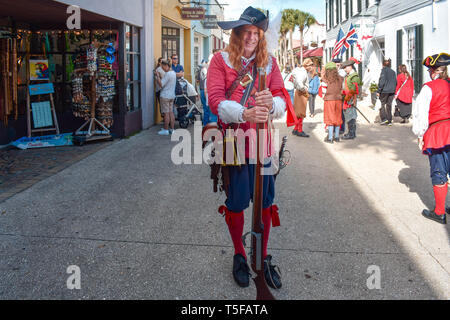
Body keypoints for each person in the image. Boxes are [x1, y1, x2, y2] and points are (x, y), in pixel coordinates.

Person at [207, 6, 286, 290]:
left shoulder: (269, 64)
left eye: (257, 32)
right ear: (237, 34)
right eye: (246, 32)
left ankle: (261, 255)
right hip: (234, 144)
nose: (252, 37)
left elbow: (281, 97)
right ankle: (240, 254)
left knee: (265, 203)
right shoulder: (220, 61)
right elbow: (215, 100)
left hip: (263, 145)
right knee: (238, 203)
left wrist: (271, 103)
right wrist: (245, 113)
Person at [412, 52, 450, 225]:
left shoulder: (429, 88)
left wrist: (420, 134)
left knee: (439, 170)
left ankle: (439, 212)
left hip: (439, 133)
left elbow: (421, 114)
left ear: (433, 71)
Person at [291, 58, 315, 137]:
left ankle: (295, 129)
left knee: (298, 113)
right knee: (301, 113)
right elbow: (299, 82)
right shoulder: (303, 72)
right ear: (306, 65)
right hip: (301, 93)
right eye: (310, 65)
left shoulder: (301, 71)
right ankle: (299, 130)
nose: (311, 66)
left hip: (299, 92)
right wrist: (304, 89)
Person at [321, 62, 344, 143]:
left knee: (330, 118)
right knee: (338, 117)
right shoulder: (341, 78)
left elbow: (323, 91)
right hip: (338, 99)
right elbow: (342, 89)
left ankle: (330, 138)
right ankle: (337, 137)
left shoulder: (325, 79)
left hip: (329, 100)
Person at [341, 59, 363, 140]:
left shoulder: (354, 76)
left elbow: (354, 89)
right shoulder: (348, 75)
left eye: (345, 67)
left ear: (350, 67)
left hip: (350, 98)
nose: (344, 69)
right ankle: (351, 132)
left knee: (351, 116)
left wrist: (347, 98)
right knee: (348, 115)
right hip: (346, 97)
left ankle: (351, 134)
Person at [155, 59, 176, 135]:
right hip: (171, 95)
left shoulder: (168, 74)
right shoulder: (173, 73)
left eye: (163, 67)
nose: (162, 69)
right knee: (171, 113)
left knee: (166, 113)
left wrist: (157, 76)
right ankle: (172, 129)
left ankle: (166, 129)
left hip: (165, 96)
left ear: (166, 66)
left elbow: (161, 84)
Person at [377, 59, 397, 126]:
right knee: (389, 105)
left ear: (383, 65)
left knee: (382, 104)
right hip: (392, 90)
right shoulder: (393, 72)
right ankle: (389, 120)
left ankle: (384, 119)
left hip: (385, 90)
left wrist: (379, 90)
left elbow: (382, 81)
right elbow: (395, 82)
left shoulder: (383, 71)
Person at [199, 59, 218, 126]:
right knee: (213, 116)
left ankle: (206, 126)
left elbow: (205, 91)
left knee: (209, 113)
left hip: (210, 100)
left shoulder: (207, 79)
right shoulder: (213, 79)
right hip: (213, 101)